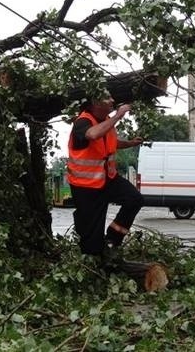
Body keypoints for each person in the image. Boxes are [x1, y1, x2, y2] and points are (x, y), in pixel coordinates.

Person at [67, 94, 144, 264]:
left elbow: (110, 141)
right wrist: (118, 115)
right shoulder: (83, 122)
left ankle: (112, 240)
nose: (113, 101)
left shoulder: (106, 120)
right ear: (95, 102)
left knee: (134, 199)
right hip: (86, 187)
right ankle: (94, 265)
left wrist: (131, 143)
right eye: (107, 98)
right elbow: (93, 135)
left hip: (108, 178)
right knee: (91, 240)